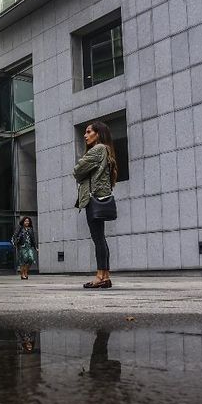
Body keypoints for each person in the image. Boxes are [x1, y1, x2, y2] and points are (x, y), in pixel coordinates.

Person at [74, 121, 119, 289]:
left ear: (98, 134)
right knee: (100, 238)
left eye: (88, 132)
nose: (85, 135)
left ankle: (100, 276)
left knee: (98, 238)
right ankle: (105, 276)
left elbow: (77, 170)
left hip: (93, 200)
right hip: (100, 198)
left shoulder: (98, 149)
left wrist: (81, 171)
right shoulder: (106, 150)